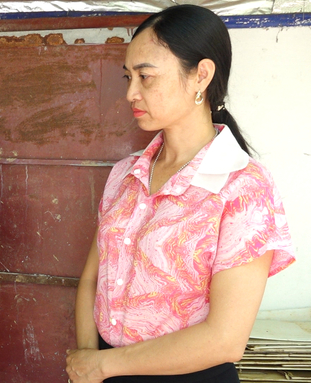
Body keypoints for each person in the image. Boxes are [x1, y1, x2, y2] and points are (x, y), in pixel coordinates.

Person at [66, 5, 295, 383]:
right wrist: (90, 361)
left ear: (201, 76)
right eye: (128, 77)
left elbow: (225, 340)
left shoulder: (244, 187)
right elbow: (92, 278)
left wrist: (102, 366)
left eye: (145, 77)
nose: (130, 93)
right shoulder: (125, 174)